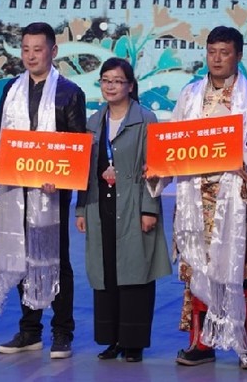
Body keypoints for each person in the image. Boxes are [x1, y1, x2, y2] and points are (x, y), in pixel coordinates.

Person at [170, 26, 247, 369]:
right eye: (212, 52)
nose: (217, 59)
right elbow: (174, 142)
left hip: (236, 199)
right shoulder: (189, 95)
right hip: (195, 197)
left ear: (238, 56)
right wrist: (159, 166)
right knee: (199, 271)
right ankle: (202, 344)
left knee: (241, 273)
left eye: (225, 52)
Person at [0, 22, 86, 359]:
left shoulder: (69, 92)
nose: (31, 56)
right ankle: (29, 331)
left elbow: (77, 145)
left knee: (57, 258)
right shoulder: (11, 89)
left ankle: (62, 332)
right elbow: (0, 134)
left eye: (38, 49)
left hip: (52, 192)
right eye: (26, 49)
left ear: (53, 51)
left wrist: (60, 176)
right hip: (16, 188)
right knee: (21, 254)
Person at [75, 58, 172, 363]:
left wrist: (149, 209)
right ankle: (112, 339)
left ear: (130, 85)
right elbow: (84, 171)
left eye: (117, 81)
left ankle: (133, 343)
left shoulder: (145, 119)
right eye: (105, 80)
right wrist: (81, 209)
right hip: (99, 204)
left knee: (135, 272)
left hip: (133, 203)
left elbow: (154, 168)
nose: (111, 86)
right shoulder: (93, 122)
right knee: (106, 272)